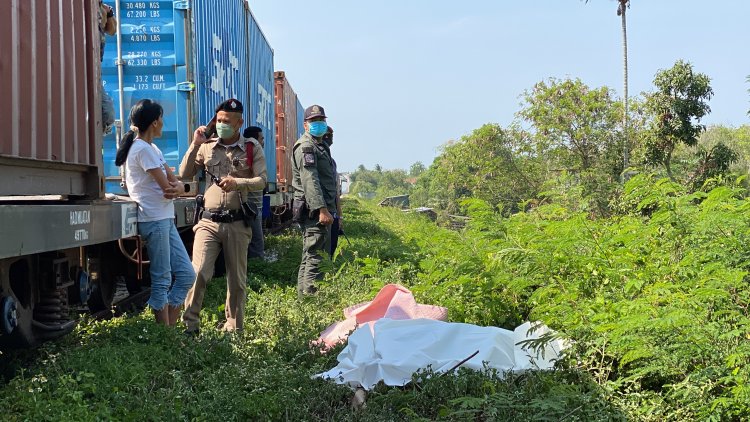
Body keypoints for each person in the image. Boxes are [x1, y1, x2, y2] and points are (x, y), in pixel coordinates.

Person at [179, 99, 267, 333]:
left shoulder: (251, 147)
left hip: (237, 222)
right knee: (197, 273)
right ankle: (190, 326)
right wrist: (194, 144)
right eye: (218, 120)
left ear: (239, 123)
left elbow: (261, 181)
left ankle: (233, 328)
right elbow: (184, 173)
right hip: (208, 221)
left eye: (226, 121)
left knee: (236, 280)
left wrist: (238, 182)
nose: (221, 125)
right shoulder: (207, 146)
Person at [115, 99, 195, 326]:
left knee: (187, 275)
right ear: (154, 122)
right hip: (154, 219)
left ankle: (168, 331)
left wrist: (177, 188)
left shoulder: (153, 149)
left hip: (164, 218)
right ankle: (165, 336)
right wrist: (177, 188)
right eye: (161, 118)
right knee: (162, 280)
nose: (163, 123)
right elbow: (169, 188)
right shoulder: (141, 149)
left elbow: (175, 183)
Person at [291, 105, 338, 296]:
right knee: (315, 258)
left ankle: (303, 299)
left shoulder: (318, 145)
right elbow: (310, 180)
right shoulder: (306, 147)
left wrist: (327, 138)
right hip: (314, 211)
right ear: (305, 125)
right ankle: (310, 300)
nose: (319, 124)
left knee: (310, 256)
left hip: (316, 209)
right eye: (313, 121)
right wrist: (322, 209)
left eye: (322, 120)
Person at [243, 126, 265, 259]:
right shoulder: (251, 149)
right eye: (261, 138)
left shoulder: (252, 150)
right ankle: (257, 269)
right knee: (257, 241)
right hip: (251, 206)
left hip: (255, 205)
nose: (262, 141)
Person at [98, 1, 117, 134]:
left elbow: (112, 31)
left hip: (95, 67)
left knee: (108, 114)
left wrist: (109, 13)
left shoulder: (103, 9)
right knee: (108, 111)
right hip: (87, 69)